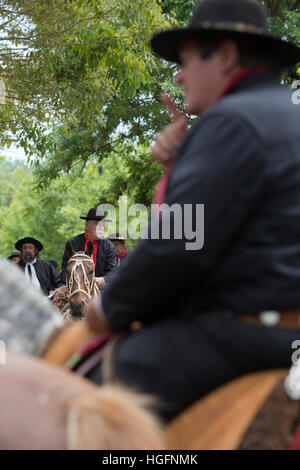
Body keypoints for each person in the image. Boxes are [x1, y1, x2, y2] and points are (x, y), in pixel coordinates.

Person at [84, 0, 300, 421]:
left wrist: (107, 308)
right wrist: (178, 170)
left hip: (255, 335)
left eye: (184, 61)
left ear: (224, 55)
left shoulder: (232, 121)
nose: (179, 75)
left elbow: (178, 247)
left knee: (98, 388)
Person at [61, 208, 117, 289]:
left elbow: (112, 272)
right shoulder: (73, 244)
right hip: (76, 287)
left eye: (103, 224)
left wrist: (103, 279)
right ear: (87, 225)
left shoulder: (109, 247)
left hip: (100, 288)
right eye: (97, 224)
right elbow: (64, 271)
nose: (101, 228)